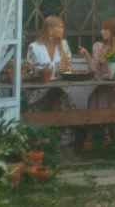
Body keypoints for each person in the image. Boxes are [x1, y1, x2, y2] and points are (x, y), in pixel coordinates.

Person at [79, 17, 115, 144]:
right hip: (104, 85)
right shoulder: (98, 46)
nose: (101, 32)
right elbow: (95, 71)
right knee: (97, 97)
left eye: (105, 29)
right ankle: (95, 136)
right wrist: (87, 57)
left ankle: (112, 136)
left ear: (113, 31)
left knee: (106, 97)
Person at [25, 16, 74, 145]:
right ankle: (39, 139)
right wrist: (42, 71)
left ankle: (63, 139)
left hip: (60, 85)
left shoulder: (64, 45)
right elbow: (31, 70)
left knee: (61, 97)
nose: (63, 30)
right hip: (40, 87)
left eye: (63, 27)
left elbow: (70, 68)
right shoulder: (34, 47)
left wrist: (66, 68)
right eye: (60, 27)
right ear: (50, 30)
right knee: (41, 101)